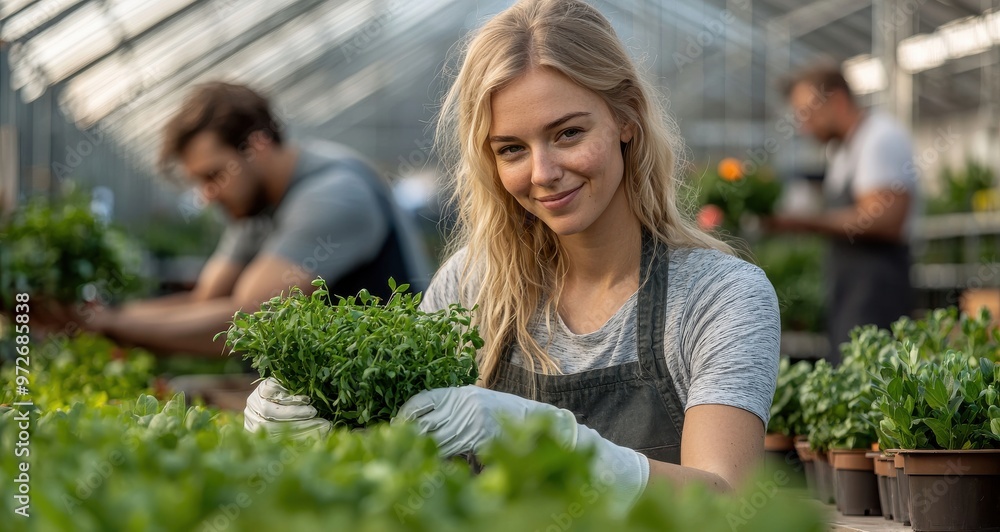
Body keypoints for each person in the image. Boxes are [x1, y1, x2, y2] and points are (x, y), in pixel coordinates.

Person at [243, 0, 780, 512]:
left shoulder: (719, 297)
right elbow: (407, 480)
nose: (542, 172)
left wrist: (555, 443)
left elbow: (726, 500)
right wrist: (319, 436)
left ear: (627, 120)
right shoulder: (471, 286)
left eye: (568, 133)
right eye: (511, 149)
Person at [38, 82, 431, 357]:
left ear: (256, 146)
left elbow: (247, 319)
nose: (207, 195)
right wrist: (93, 315)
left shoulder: (334, 193)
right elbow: (206, 299)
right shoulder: (255, 205)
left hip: (385, 404)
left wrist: (104, 326)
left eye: (213, 176)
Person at [767, 66, 918, 363]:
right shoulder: (842, 150)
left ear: (836, 100)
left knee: (875, 381)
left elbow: (886, 219)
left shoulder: (879, 139)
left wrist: (804, 223)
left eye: (808, 112)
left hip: (877, 289)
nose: (804, 126)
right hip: (850, 287)